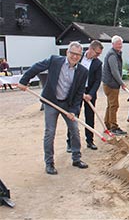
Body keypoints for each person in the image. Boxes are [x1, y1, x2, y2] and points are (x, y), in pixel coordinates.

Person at [18, 42, 89, 175]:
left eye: (78, 55)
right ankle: (49, 163)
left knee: (74, 129)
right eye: (72, 53)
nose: (74, 57)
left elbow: (79, 94)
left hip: (67, 104)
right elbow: (36, 68)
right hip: (50, 101)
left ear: (81, 56)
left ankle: (76, 158)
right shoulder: (54, 61)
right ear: (67, 52)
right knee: (50, 132)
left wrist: (74, 111)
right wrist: (24, 81)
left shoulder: (83, 71)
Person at [67, 40, 103, 152]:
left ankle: (90, 140)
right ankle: (70, 142)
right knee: (73, 116)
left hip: (89, 92)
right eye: (97, 53)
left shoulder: (98, 63)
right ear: (91, 49)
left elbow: (97, 81)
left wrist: (91, 94)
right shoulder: (78, 57)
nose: (98, 55)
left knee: (90, 117)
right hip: (76, 90)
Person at [102, 35, 127, 136]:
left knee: (110, 105)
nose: (119, 45)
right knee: (114, 105)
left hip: (110, 83)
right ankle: (113, 127)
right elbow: (114, 71)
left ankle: (107, 124)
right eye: (117, 44)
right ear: (113, 44)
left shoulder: (116, 53)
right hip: (111, 84)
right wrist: (122, 83)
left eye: (120, 43)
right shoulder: (112, 55)